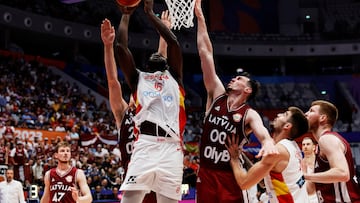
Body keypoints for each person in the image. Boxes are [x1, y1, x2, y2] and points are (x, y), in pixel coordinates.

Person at [194, 0, 278, 202]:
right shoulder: (217, 93)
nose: (234, 78)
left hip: (229, 174)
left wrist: (267, 143)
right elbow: (205, 53)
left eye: (240, 79)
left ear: (247, 90)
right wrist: (201, 19)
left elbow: (263, 133)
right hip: (205, 172)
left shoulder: (250, 114)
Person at [101, 7, 175, 203]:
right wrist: (108, 46)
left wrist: (164, 34)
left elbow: (161, 68)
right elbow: (112, 81)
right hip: (134, 183)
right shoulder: (122, 113)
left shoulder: (153, 110)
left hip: (158, 181)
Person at [115, 0, 185, 202]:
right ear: (147, 65)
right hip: (145, 145)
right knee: (130, 199)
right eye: (152, 55)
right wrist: (126, 14)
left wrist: (150, 13)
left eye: (159, 54)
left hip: (171, 148)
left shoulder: (175, 77)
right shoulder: (138, 79)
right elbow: (121, 47)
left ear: (165, 63)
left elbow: (173, 42)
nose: (156, 53)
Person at [226, 107, 310, 202]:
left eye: (284, 114)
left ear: (287, 126)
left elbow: (244, 183)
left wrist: (234, 159)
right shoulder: (292, 147)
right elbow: (262, 182)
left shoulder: (278, 151)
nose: (279, 115)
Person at [304, 100, 360, 202]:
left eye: (311, 111)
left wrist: (306, 176)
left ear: (322, 118)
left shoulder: (327, 139)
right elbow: (311, 191)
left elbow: (342, 174)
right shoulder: (321, 145)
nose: (306, 114)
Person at [301, 136, 319, 203]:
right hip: (304, 198)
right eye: (303, 145)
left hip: (318, 196)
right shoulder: (299, 163)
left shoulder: (319, 162)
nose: (305, 146)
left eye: (308, 144)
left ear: (314, 147)